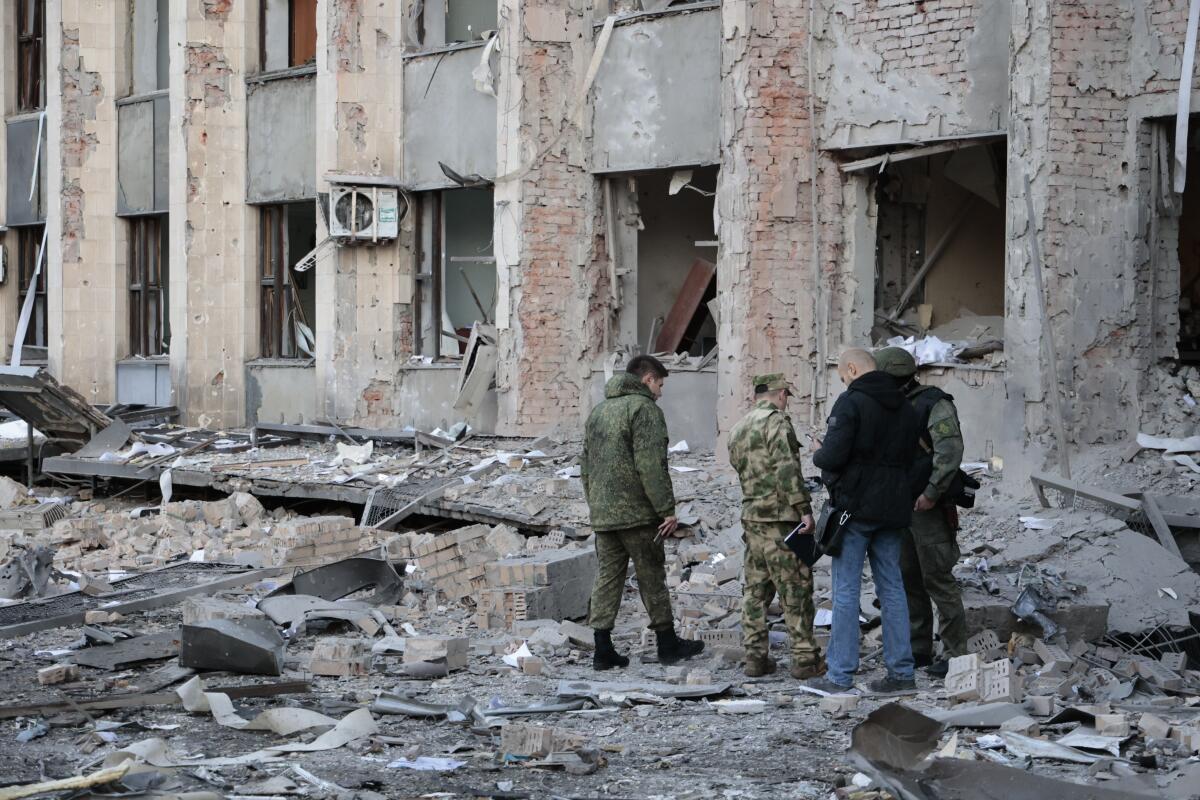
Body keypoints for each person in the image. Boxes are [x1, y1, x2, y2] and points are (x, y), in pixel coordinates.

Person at [805, 348, 922, 694]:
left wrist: (818, 451)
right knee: (893, 589)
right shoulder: (907, 405)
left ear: (853, 369)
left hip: (855, 509)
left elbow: (833, 456)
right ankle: (902, 675)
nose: (845, 381)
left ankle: (839, 676)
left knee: (845, 592)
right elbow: (917, 460)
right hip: (894, 509)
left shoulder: (851, 402)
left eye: (844, 376)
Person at [581, 355, 705, 670]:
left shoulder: (599, 411)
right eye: (660, 384)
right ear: (647, 379)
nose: (660, 392)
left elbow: (585, 465)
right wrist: (666, 510)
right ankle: (667, 644)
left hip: (604, 515)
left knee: (608, 578)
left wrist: (595, 503)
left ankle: (602, 649)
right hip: (638, 514)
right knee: (651, 576)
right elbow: (651, 465)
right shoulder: (644, 410)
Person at [874, 347, 968, 678]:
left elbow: (950, 451)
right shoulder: (887, 403)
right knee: (907, 578)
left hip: (927, 507)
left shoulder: (934, 403)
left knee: (938, 579)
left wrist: (931, 493)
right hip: (899, 506)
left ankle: (956, 653)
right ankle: (919, 649)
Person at [728, 373, 823, 679]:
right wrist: (804, 510)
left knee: (755, 591)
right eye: (786, 396)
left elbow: (739, 467)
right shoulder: (777, 423)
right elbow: (787, 470)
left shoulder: (738, 428)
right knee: (794, 589)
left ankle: (755, 658)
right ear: (780, 394)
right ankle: (805, 659)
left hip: (753, 518)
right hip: (782, 521)